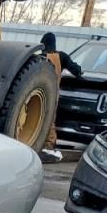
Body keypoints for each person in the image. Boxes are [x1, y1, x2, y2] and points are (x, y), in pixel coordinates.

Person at [37, 32, 83, 162]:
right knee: (50, 119)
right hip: (53, 93)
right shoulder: (61, 56)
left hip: (37, 91)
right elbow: (76, 70)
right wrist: (80, 73)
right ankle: (48, 145)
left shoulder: (39, 57)